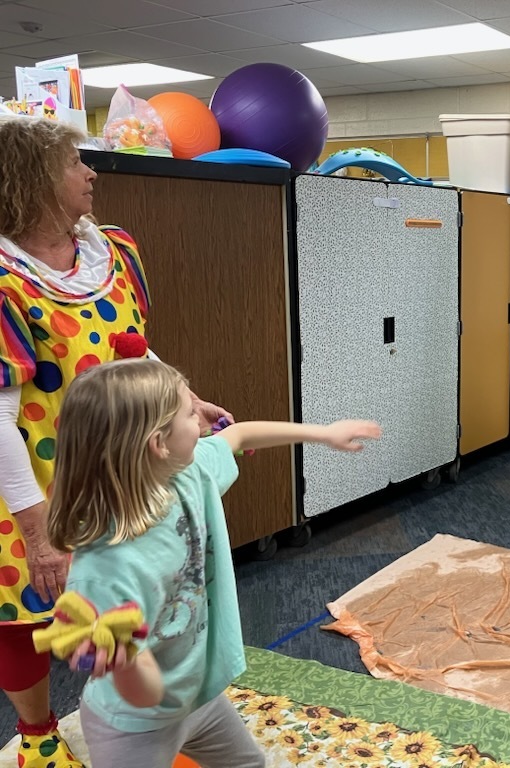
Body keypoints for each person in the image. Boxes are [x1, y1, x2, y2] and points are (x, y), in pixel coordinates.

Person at [0, 115, 230, 766]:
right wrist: (39, 532)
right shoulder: (3, 277)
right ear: (33, 179)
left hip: (121, 468)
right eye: (76, 162)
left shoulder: (114, 251)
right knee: (29, 617)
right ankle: (39, 738)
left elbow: (134, 349)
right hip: (33, 474)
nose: (92, 172)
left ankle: (139, 716)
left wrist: (180, 397)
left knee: (131, 596)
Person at [46, 358, 382, 767]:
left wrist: (325, 433)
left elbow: (238, 435)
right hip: (136, 726)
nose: (202, 415)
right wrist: (124, 658)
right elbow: (145, 693)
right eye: (190, 412)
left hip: (197, 699)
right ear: (158, 444)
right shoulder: (108, 568)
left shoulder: (187, 472)